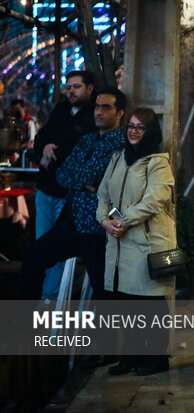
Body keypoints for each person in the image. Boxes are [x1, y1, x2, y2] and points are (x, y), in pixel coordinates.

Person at [19, 87, 126, 303]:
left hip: (99, 227)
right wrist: (85, 182)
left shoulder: (121, 143)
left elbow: (92, 174)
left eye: (106, 107)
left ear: (120, 113)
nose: (98, 112)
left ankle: (104, 336)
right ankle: (24, 321)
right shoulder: (86, 140)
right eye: (97, 106)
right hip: (75, 219)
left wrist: (84, 178)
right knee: (33, 256)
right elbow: (62, 175)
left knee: (104, 289)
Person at [96, 107, 175, 376]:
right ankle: (130, 356)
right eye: (130, 125)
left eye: (140, 127)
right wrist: (104, 220)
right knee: (125, 300)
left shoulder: (158, 162)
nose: (133, 131)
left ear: (150, 132)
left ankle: (156, 359)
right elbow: (103, 195)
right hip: (119, 242)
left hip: (147, 242)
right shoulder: (118, 158)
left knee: (149, 302)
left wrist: (123, 221)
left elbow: (154, 201)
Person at [26, 70, 96, 300]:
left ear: (89, 88)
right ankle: (43, 296)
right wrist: (45, 148)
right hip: (46, 188)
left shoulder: (92, 116)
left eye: (76, 86)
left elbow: (79, 152)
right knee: (41, 244)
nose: (71, 91)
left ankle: (51, 297)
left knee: (54, 247)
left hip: (68, 194)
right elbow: (43, 137)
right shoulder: (61, 110)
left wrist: (55, 151)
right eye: (69, 87)